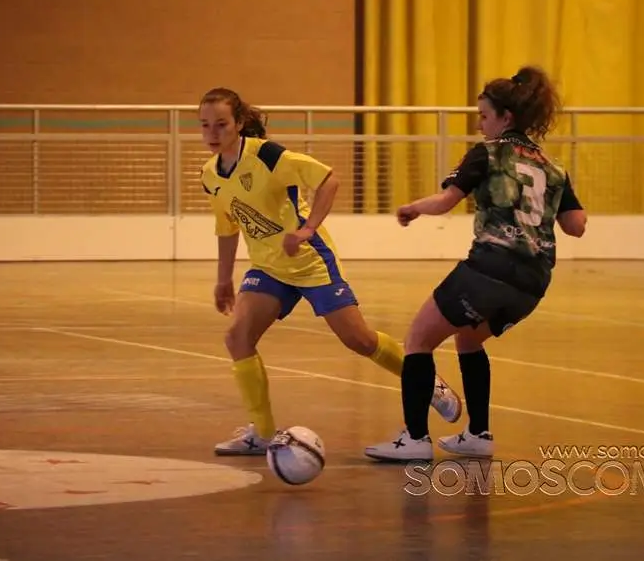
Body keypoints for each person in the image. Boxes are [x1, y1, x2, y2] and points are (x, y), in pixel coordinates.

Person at [197, 87, 463, 455]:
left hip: (309, 261)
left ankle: (426, 381)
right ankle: (262, 433)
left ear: (240, 124)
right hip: (268, 267)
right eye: (205, 126)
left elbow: (328, 180)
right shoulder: (210, 175)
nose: (212, 134)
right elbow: (227, 228)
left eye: (221, 124)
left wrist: (307, 230)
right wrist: (223, 278)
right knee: (237, 338)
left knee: (360, 341)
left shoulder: (270, 157)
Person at [364, 66, 587, 462]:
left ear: (506, 118)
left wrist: (413, 208)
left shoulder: (487, 153)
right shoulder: (553, 169)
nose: (479, 122)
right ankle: (478, 433)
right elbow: (577, 226)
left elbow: (447, 200)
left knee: (417, 340)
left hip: (490, 267)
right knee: (468, 338)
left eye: (484, 115)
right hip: (532, 282)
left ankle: (415, 439)